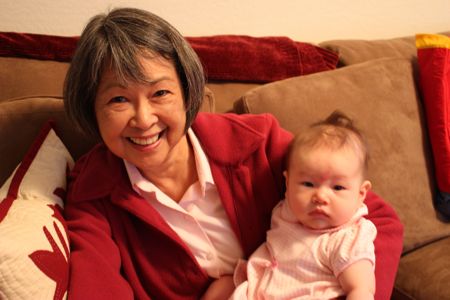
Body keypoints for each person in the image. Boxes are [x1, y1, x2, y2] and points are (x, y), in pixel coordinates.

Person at [63, 7, 403, 300]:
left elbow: (380, 221)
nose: (144, 119)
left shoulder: (256, 143)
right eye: (118, 99)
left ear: (187, 93)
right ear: (92, 109)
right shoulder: (94, 191)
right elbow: (98, 285)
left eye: (160, 93)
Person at [227, 111, 376, 299]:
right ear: (287, 184)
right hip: (254, 287)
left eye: (337, 187)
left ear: (361, 194)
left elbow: (361, 290)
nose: (320, 196)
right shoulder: (288, 210)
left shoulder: (346, 239)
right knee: (221, 285)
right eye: (308, 184)